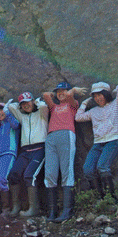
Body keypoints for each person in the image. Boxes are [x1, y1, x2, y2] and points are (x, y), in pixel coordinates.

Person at [42, 81, 86, 222]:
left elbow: (71, 97)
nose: (61, 93)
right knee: (50, 173)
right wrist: (55, 93)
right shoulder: (54, 107)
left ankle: (67, 211)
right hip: (51, 137)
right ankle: (52, 211)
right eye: (58, 91)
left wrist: (72, 91)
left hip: (66, 134)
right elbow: (45, 95)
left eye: (63, 91)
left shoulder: (72, 105)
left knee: (67, 171)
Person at [75, 82, 118, 200]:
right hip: (98, 143)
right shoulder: (94, 111)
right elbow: (78, 117)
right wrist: (84, 102)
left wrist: (113, 92)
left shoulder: (115, 105)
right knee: (87, 169)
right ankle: (101, 198)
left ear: (105, 94)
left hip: (112, 140)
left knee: (102, 167)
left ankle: (111, 198)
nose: (98, 98)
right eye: (95, 96)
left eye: (100, 95)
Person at [5, 92, 48, 217]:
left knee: (30, 175)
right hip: (25, 151)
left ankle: (34, 209)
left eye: (28, 102)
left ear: (33, 101)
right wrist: (17, 104)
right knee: (13, 174)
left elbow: (44, 107)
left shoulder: (41, 113)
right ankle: (16, 207)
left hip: (40, 148)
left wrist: (36, 102)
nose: (26, 105)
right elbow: (10, 107)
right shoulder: (22, 116)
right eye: (23, 104)